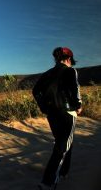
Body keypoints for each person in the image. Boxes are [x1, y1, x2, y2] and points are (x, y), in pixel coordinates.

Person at [32, 47, 82, 190]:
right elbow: (75, 89)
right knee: (62, 148)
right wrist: (78, 105)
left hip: (52, 115)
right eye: (71, 61)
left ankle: (64, 172)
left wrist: (44, 107)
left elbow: (35, 91)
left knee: (65, 142)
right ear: (68, 59)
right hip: (67, 113)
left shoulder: (47, 73)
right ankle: (48, 182)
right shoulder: (70, 71)